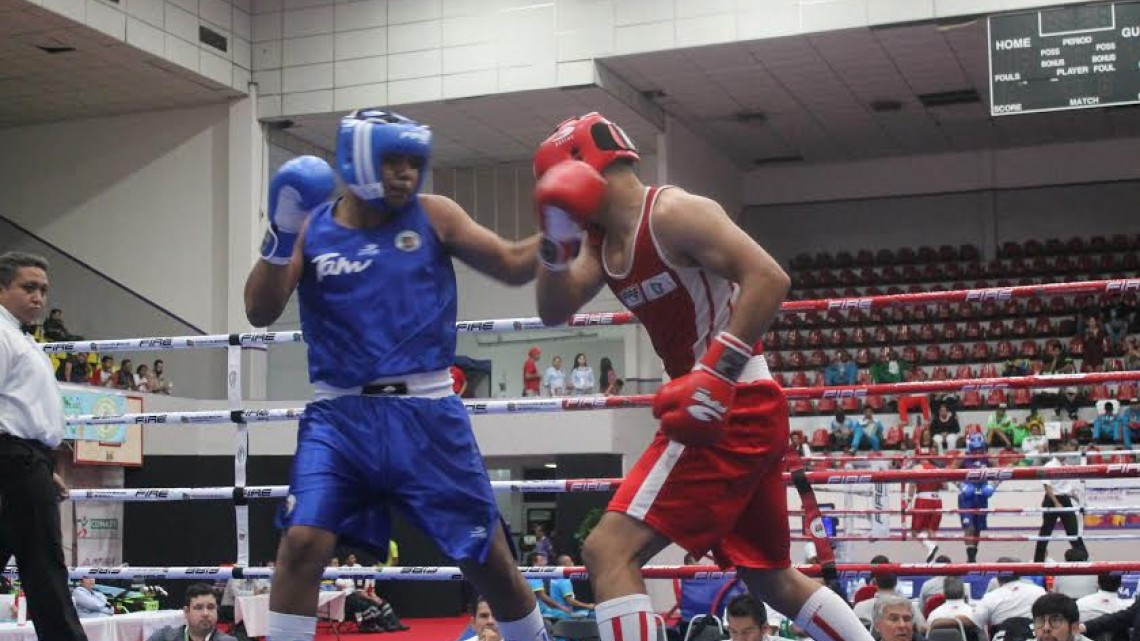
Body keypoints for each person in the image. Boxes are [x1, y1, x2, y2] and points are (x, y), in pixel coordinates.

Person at [532, 112, 873, 641]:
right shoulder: (602, 243)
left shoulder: (672, 212)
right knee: (770, 577)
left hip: (731, 399)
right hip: (720, 406)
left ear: (582, 171)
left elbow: (768, 276)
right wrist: (554, 242)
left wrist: (717, 371)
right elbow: (554, 308)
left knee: (607, 548)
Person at [243, 109, 543, 641]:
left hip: (427, 414)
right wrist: (280, 234)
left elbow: (514, 264)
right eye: (392, 161)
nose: (406, 173)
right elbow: (260, 311)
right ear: (356, 159)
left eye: (413, 162)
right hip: (339, 416)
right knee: (302, 544)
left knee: (488, 559)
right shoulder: (313, 226)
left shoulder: (436, 215)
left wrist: (565, 228)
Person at [0, 252, 88, 640]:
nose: (39, 297)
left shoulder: (19, 335)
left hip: (26, 459)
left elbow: (23, 409)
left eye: (44, 290)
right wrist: (23, 464)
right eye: (28, 287)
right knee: (44, 564)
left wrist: (43, 468)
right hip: (13, 457)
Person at [1034, 440, 1086, 563]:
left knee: (1073, 531)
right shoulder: (1049, 466)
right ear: (1055, 452)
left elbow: (1065, 487)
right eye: (1061, 451)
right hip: (1051, 500)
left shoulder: (1066, 466)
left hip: (1064, 499)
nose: (1064, 453)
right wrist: (1056, 502)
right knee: (1045, 531)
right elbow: (1047, 487)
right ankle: (1038, 561)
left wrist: (1075, 497)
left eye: (1065, 451)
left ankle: (1083, 557)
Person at [971, 560, 1045, 641]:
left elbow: (974, 622)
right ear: (1019, 575)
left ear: (997, 578)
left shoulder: (991, 597)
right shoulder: (1038, 591)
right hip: (1032, 636)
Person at [146, 583, 238, 641]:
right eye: (198, 608)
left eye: (211, 607)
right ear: (186, 612)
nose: (205, 613)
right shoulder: (164, 637)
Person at [958, 433, 995, 564]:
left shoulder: (988, 459)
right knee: (969, 527)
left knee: (978, 528)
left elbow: (1002, 472)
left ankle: (972, 556)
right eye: (975, 449)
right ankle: (970, 558)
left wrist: (992, 485)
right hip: (967, 497)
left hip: (981, 495)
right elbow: (948, 472)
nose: (978, 452)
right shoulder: (963, 458)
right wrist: (961, 485)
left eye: (980, 448)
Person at [905, 458, 944, 563]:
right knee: (931, 531)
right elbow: (945, 486)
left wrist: (909, 501)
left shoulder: (918, 468)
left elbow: (912, 484)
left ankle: (931, 547)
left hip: (923, 499)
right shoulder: (937, 469)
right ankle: (931, 560)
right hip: (937, 500)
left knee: (915, 532)